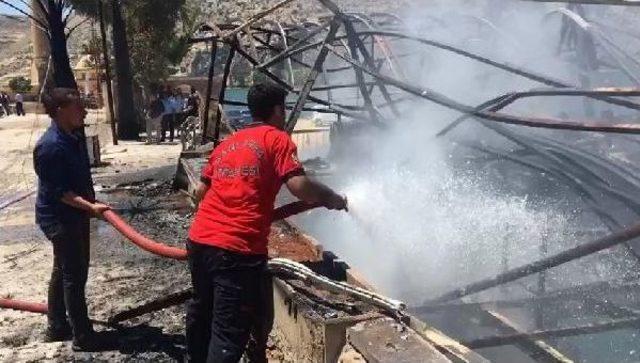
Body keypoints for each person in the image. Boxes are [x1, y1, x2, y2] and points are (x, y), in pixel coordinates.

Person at [186, 83, 347, 363]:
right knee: (228, 333)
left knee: (202, 315)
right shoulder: (277, 139)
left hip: (199, 242)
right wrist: (331, 197)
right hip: (237, 251)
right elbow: (299, 187)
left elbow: (199, 192)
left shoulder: (227, 143)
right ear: (277, 110)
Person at [33, 88, 111, 351]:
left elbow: (77, 181)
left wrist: (90, 203)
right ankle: (83, 336)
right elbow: (61, 193)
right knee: (74, 275)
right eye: (79, 107)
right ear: (60, 111)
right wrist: (91, 206)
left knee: (63, 269)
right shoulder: (50, 146)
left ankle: (57, 326)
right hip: (59, 218)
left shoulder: (72, 137)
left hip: (75, 213)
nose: (85, 111)